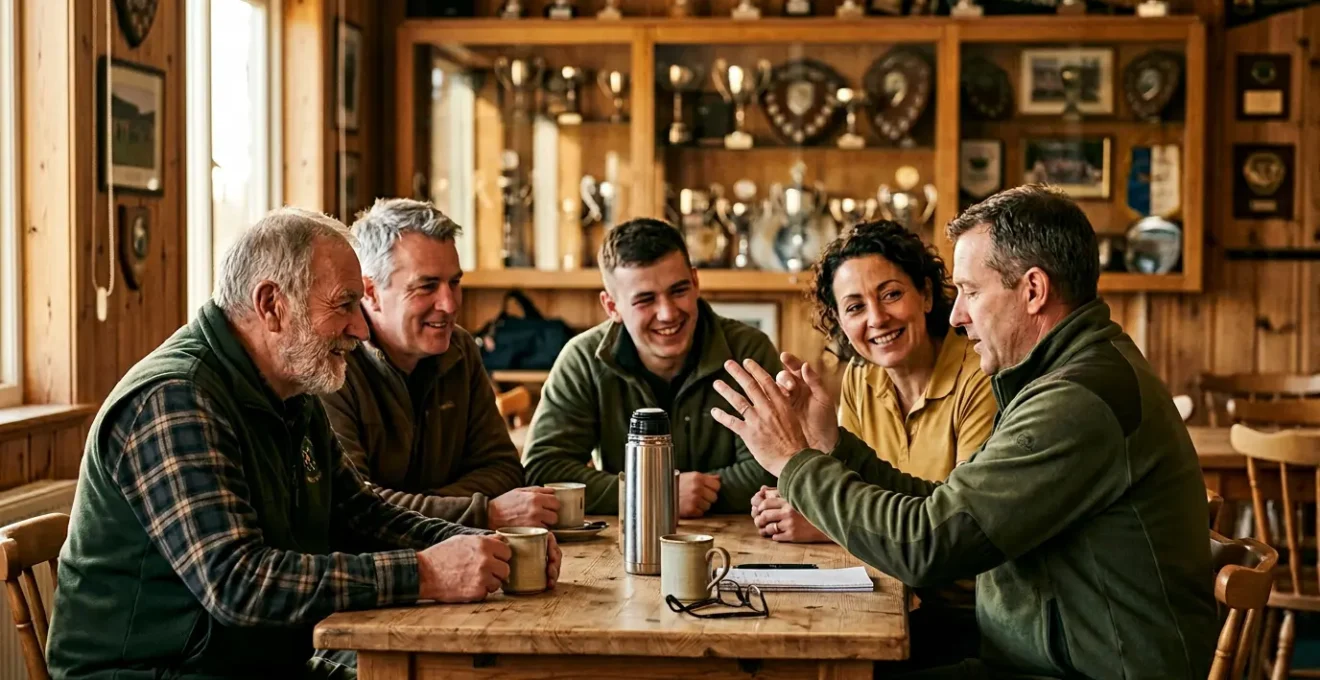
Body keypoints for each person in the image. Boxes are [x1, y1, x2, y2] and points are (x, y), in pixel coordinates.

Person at [712, 185, 1216, 679]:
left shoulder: (1077, 399)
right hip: (1031, 659)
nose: (956, 315)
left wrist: (793, 462)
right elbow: (948, 508)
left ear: (1034, 290)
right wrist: (831, 446)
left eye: (971, 292)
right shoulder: (1062, 376)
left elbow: (927, 544)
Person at [46, 208, 560, 680]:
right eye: (344, 305)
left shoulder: (290, 387)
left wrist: (486, 548)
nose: (361, 328)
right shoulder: (175, 400)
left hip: (258, 664)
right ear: (272, 305)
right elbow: (237, 583)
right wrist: (425, 573)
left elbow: (359, 512)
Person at [750, 221, 995, 544]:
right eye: (855, 307)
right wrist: (812, 446)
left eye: (891, 294)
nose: (877, 318)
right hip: (891, 582)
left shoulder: (981, 375)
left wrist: (828, 524)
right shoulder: (861, 376)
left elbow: (958, 523)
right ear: (839, 321)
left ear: (926, 294)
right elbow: (853, 488)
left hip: (961, 592)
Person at [320, 198, 558, 530]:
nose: (449, 304)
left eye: (455, 283)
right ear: (370, 291)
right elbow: (350, 507)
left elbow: (503, 470)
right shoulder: (331, 363)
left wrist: (420, 506)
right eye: (427, 286)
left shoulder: (460, 348)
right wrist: (480, 513)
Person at [523, 218, 780, 517]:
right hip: (620, 546)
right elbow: (542, 471)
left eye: (679, 290)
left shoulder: (749, 350)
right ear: (612, 307)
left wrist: (684, 495)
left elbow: (775, 468)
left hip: (745, 543)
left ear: (696, 282)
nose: (668, 313)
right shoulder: (582, 359)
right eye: (645, 300)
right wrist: (653, 495)